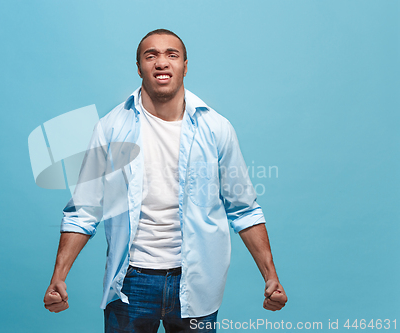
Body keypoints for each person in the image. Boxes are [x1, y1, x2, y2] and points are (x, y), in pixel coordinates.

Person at [43, 29, 287, 333]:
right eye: (151, 55)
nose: (162, 62)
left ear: (185, 66)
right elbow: (84, 211)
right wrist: (59, 276)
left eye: (171, 55)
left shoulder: (216, 128)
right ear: (139, 67)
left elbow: (244, 210)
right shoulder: (110, 129)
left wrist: (270, 276)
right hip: (129, 284)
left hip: (197, 281)